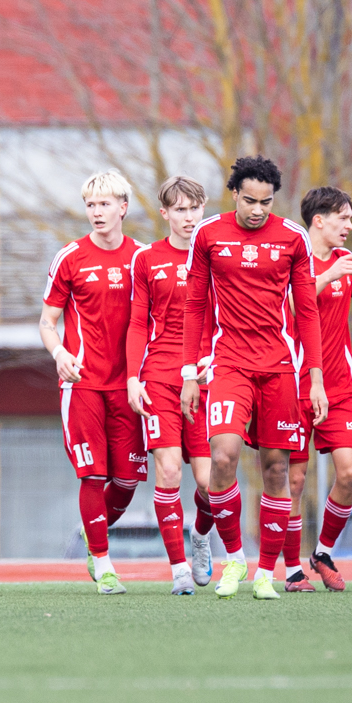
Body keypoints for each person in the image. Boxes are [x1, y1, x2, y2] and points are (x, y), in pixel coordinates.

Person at [182, 155, 325, 599]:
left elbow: (308, 313)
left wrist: (315, 378)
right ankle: (234, 560)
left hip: (280, 367)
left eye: (266, 201)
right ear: (233, 195)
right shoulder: (208, 234)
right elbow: (194, 306)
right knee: (222, 457)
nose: (258, 209)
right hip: (228, 363)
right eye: (250, 200)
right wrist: (190, 372)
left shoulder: (293, 238)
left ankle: (266, 572)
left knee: (277, 468)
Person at [282, 186, 352, 591]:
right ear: (319, 220)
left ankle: (323, 552)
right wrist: (326, 276)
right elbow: (291, 306)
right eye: (343, 218)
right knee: (294, 481)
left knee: (349, 472)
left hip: (338, 386)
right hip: (293, 383)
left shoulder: (346, 259)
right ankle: (293, 569)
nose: (349, 225)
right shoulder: (292, 258)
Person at [41, 170, 147, 594]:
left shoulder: (142, 258)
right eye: (90, 205)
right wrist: (59, 352)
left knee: (127, 481)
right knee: (92, 475)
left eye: (104, 204)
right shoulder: (69, 258)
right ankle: (103, 563)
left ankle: (91, 532)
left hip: (130, 387)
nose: (97, 212)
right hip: (82, 384)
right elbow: (48, 321)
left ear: (123, 207)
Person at [125, 175, 217, 594]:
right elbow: (137, 324)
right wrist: (131, 378)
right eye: (179, 209)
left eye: (194, 208)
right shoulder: (147, 259)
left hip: (207, 377)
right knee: (167, 471)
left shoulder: (216, 255)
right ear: (165, 214)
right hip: (160, 377)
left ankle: (200, 537)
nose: (188, 217)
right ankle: (179, 569)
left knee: (211, 481)